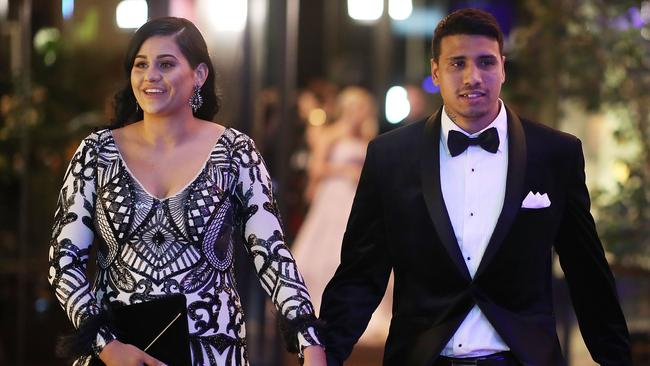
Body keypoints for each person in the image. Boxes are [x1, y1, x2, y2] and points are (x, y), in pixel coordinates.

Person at [319, 8, 631, 366]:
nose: (473, 77)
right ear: (435, 71)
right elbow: (361, 273)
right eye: (457, 64)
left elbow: (586, 271)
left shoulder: (555, 153)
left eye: (485, 62)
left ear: (502, 67)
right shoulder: (390, 156)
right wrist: (323, 354)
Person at [47, 17, 326, 366]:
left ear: (199, 75)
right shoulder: (97, 152)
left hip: (211, 349)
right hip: (116, 353)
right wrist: (107, 345)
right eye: (141, 65)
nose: (150, 75)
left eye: (166, 64)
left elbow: (271, 254)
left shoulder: (235, 152)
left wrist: (310, 342)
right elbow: (64, 261)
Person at [292, 87, 391, 346]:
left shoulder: (368, 136)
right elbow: (317, 167)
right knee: (328, 252)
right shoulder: (332, 134)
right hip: (334, 196)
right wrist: (345, 170)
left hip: (357, 198)